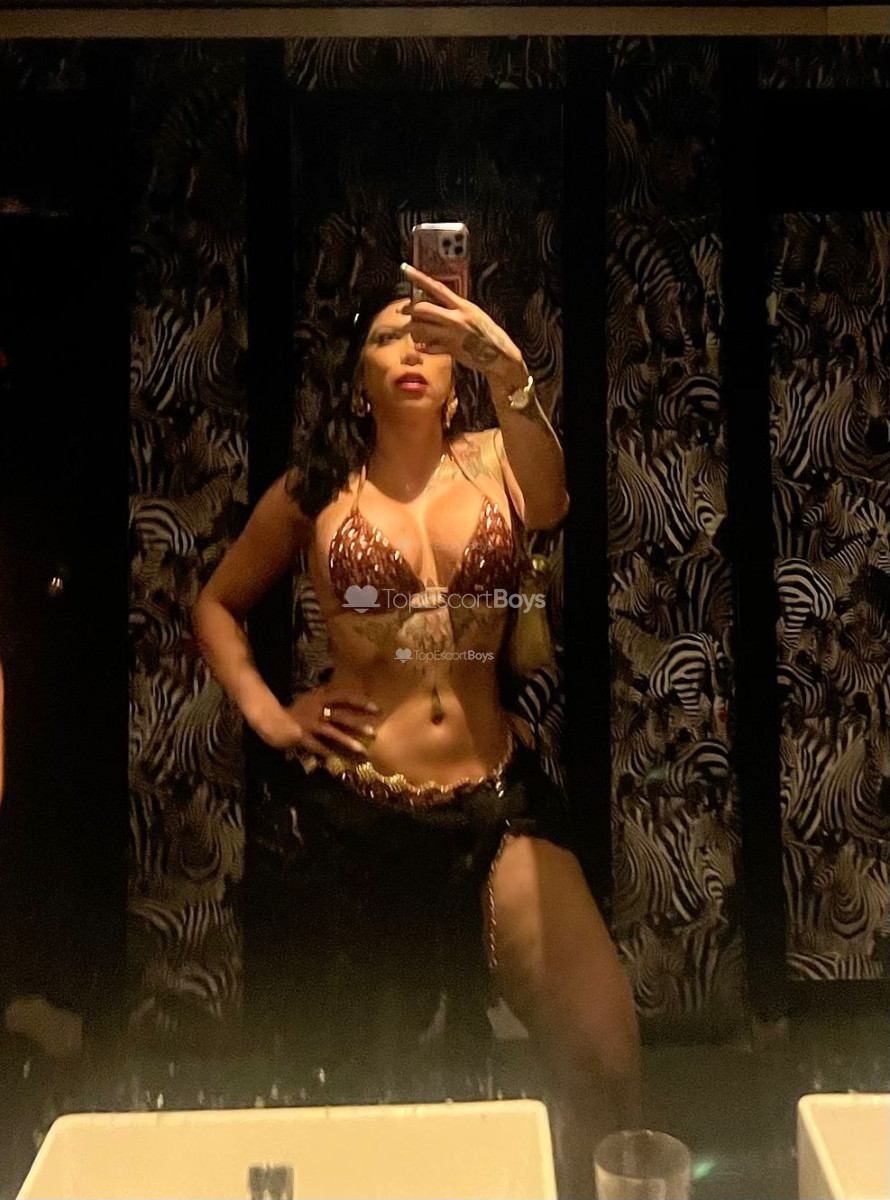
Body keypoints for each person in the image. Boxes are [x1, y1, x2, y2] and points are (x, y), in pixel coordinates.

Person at [193, 262, 641, 1197]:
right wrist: (271, 712)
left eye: (428, 337)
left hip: (492, 799)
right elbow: (217, 604)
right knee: (369, 1099)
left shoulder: (495, 458)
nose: (409, 350)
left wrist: (509, 372)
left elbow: (551, 502)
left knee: (605, 1051)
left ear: (453, 371)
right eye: (387, 337)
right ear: (358, 378)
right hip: (357, 814)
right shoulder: (318, 488)